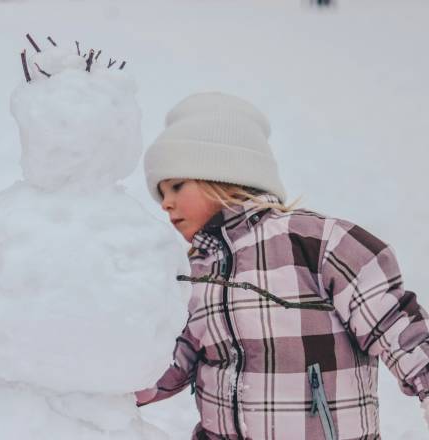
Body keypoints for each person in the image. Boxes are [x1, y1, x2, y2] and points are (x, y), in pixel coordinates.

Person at [137, 92, 429, 439]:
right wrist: (92, 383)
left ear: (219, 173)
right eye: (161, 193)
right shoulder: (192, 274)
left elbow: (399, 330)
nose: (165, 204)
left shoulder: (318, 243)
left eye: (175, 186)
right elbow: (167, 366)